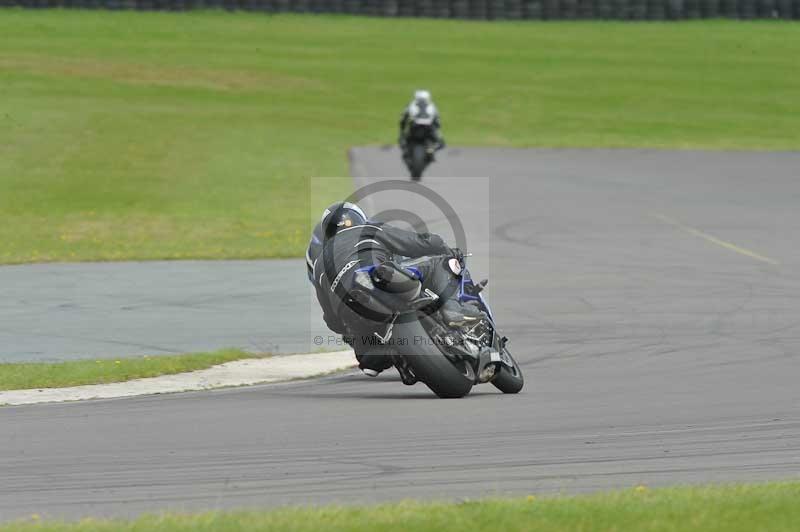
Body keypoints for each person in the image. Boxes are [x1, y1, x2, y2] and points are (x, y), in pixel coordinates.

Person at [308, 201, 483, 377]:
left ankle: (394, 352)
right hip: (379, 278)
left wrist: (347, 329)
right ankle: (453, 309)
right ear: (358, 218)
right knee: (441, 263)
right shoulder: (367, 230)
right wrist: (442, 247)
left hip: (350, 309)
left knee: (367, 359)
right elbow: (415, 243)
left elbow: (331, 319)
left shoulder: (318, 264)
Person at [398, 90, 445, 166]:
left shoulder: (411, 104)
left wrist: (402, 131)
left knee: (404, 140)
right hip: (429, 128)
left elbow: (403, 118)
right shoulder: (432, 105)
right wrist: (438, 130)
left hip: (414, 127)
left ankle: (407, 151)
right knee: (441, 143)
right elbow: (437, 120)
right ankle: (431, 150)